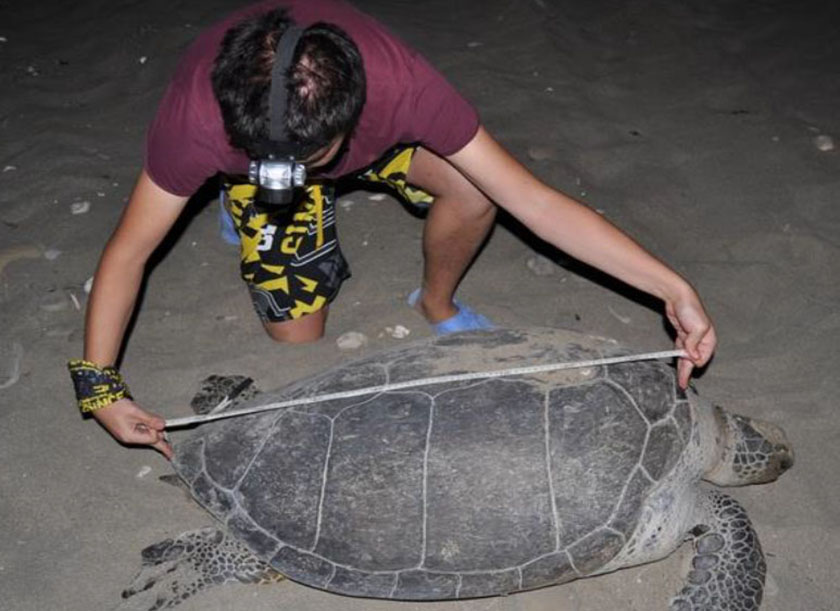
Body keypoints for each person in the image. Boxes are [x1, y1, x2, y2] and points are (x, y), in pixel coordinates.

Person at [68, 0, 716, 459]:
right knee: (297, 336)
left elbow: (534, 203)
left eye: (303, 163)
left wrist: (672, 287)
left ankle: (437, 301)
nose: (287, 175)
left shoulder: (402, 86)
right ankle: (233, 193)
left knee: (474, 186)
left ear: (352, 120)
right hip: (240, 153)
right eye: (271, 161)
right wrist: (99, 386)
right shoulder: (200, 118)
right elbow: (129, 252)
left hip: (366, 143)